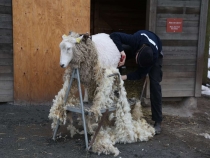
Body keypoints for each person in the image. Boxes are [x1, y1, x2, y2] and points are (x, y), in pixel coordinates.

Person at [110, 30, 163, 134]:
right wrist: (122, 53)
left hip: (156, 51)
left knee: (155, 84)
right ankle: (117, 89)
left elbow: (140, 74)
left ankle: (158, 121)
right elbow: (114, 35)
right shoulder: (135, 39)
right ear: (137, 52)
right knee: (117, 53)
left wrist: (124, 77)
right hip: (141, 43)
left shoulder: (153, 58)